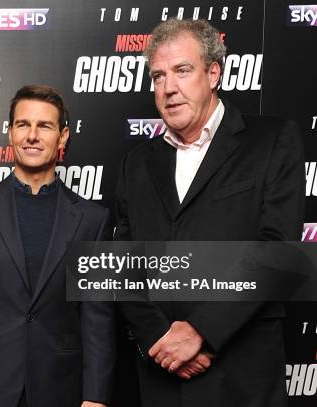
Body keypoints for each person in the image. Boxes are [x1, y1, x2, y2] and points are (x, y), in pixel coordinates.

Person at [114, 19, 305, 407]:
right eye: (158, 76)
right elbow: (124, 264)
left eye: (182, 70)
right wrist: (160, 338)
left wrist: (201, 331)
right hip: (160, 378)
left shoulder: (271, 140)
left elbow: (278, 251)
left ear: (213, 73)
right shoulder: (136, 163)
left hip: (241, 378)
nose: (168, 87)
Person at [0, 85, 116, 407]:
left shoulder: (92, 220)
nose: (32, 136)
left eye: (45, 126)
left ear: (63, 136)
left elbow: (96, 317)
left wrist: (96, 395)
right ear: (10, 133)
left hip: (59, 387)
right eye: (23, 125)